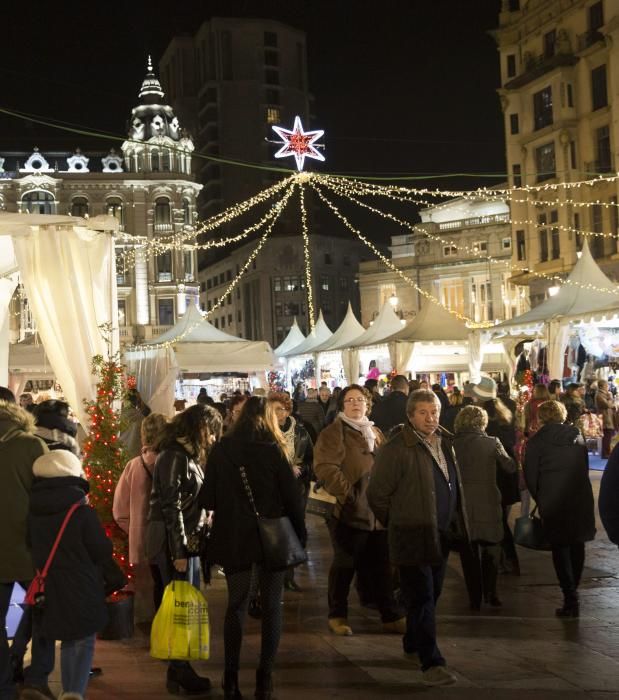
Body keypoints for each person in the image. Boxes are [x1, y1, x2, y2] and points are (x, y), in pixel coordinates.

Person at [200, 396, 306, 700]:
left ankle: (230, 679)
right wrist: (298, 536)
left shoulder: (222, 450)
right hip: (271, 537)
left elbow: (208, 498)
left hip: (234, 537)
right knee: (272, 607)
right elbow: (292, 500)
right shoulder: (274, 451)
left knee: (237, 605)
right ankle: (265, 679)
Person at [367, 389, 468, 687]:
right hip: (412, 533)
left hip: (441, 533)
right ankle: (431, 661)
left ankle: (413, 642)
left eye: (434, 411)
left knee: (431, 594)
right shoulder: (398, 447)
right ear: (410, 416)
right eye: (423, 412)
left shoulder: (446, 442)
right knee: (422, 595)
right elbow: (377, 494)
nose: (430, 418)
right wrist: (398, 521)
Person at [313, 385, 405, 637]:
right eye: (350, 400)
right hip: (348, 512)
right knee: (345, 564)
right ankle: (337, 615)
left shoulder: (374, 431)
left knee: (381, 564)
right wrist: (350, 496)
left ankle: (390, 614)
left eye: (360, 400)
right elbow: (326, 468)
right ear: (342, 405)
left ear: (368, 404)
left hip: (377, 512)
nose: (356, 404)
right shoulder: (334, 432)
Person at [28, 449, 119, 700]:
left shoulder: (34, 510)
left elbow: (29, 544)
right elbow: (102, 549)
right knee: (83, 641)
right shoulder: (80, 511)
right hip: (82, 585)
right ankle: (74, 693)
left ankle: (69, 691)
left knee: (68, 640)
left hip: (51, 585)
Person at [148, 404, 222, 695]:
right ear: (200, 428)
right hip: (174, 541)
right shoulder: (174, 456)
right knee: (181, 604)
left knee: (184, 603)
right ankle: (179, 669)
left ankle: (178, 669)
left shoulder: (183, 455)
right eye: (212, 432)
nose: (214, 439)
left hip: (184, 540)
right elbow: (171, 506)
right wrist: (178, 552)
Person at [0, 392, 55, 700]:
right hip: (31, 549)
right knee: (41, 614)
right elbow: (47, 498)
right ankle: (36, 677)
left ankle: (4, 685)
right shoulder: (31, 445)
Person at [524, 400, 595, 617]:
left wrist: (541, 496)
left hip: (552, 500)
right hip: (579, 497)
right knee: (577, 543)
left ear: (541, 417)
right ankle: (574, 590)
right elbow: (584, 466)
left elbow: (530, 475)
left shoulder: (536, 442)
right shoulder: (576, 436)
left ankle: (570, 596)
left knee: (560, 547)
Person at [453, 405, 516, 609]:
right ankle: (491, 592)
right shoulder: (491, 443)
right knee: (491, 550)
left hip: (462, 504)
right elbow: (509, 466)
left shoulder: (451, 444)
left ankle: (474, 597)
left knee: (468, 554)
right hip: (488, 501)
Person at [113, 412, 168, 611]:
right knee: (169, 585)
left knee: (150, 589)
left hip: (142, 540)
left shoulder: (134, 466)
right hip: (168, 538)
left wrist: (135, 529)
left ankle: (155, 628)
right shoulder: (174, 462)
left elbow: (119, 510)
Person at [267, 392, 313, 592]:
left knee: (294, 529)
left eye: (280, 409)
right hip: (271, 491)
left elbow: (311, 459)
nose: (277, 413)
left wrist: (301, 469)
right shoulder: (264, 433)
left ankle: (289, 576)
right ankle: (273, 577)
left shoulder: (301, 433)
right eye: (273, 409)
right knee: (274, 532)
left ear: (287, 411)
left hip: (296, 490)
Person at [484, 398, 521, 575]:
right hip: (507, 479)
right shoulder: (507, 425)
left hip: (496, 478)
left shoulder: (488, 431)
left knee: (499, 523)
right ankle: (508, 560)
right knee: (502, 520)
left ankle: (505, 560)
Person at [595, 379, 615, 458]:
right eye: (607, 385)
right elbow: (607, 405)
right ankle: (605, 453)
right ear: (602, 386)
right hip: (605, 418)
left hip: (608, 417)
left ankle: (607, 452)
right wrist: (610, 398)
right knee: (606, 436)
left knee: (609, 435)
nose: (608, 387)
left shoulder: (605, 394)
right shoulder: (599, 395)